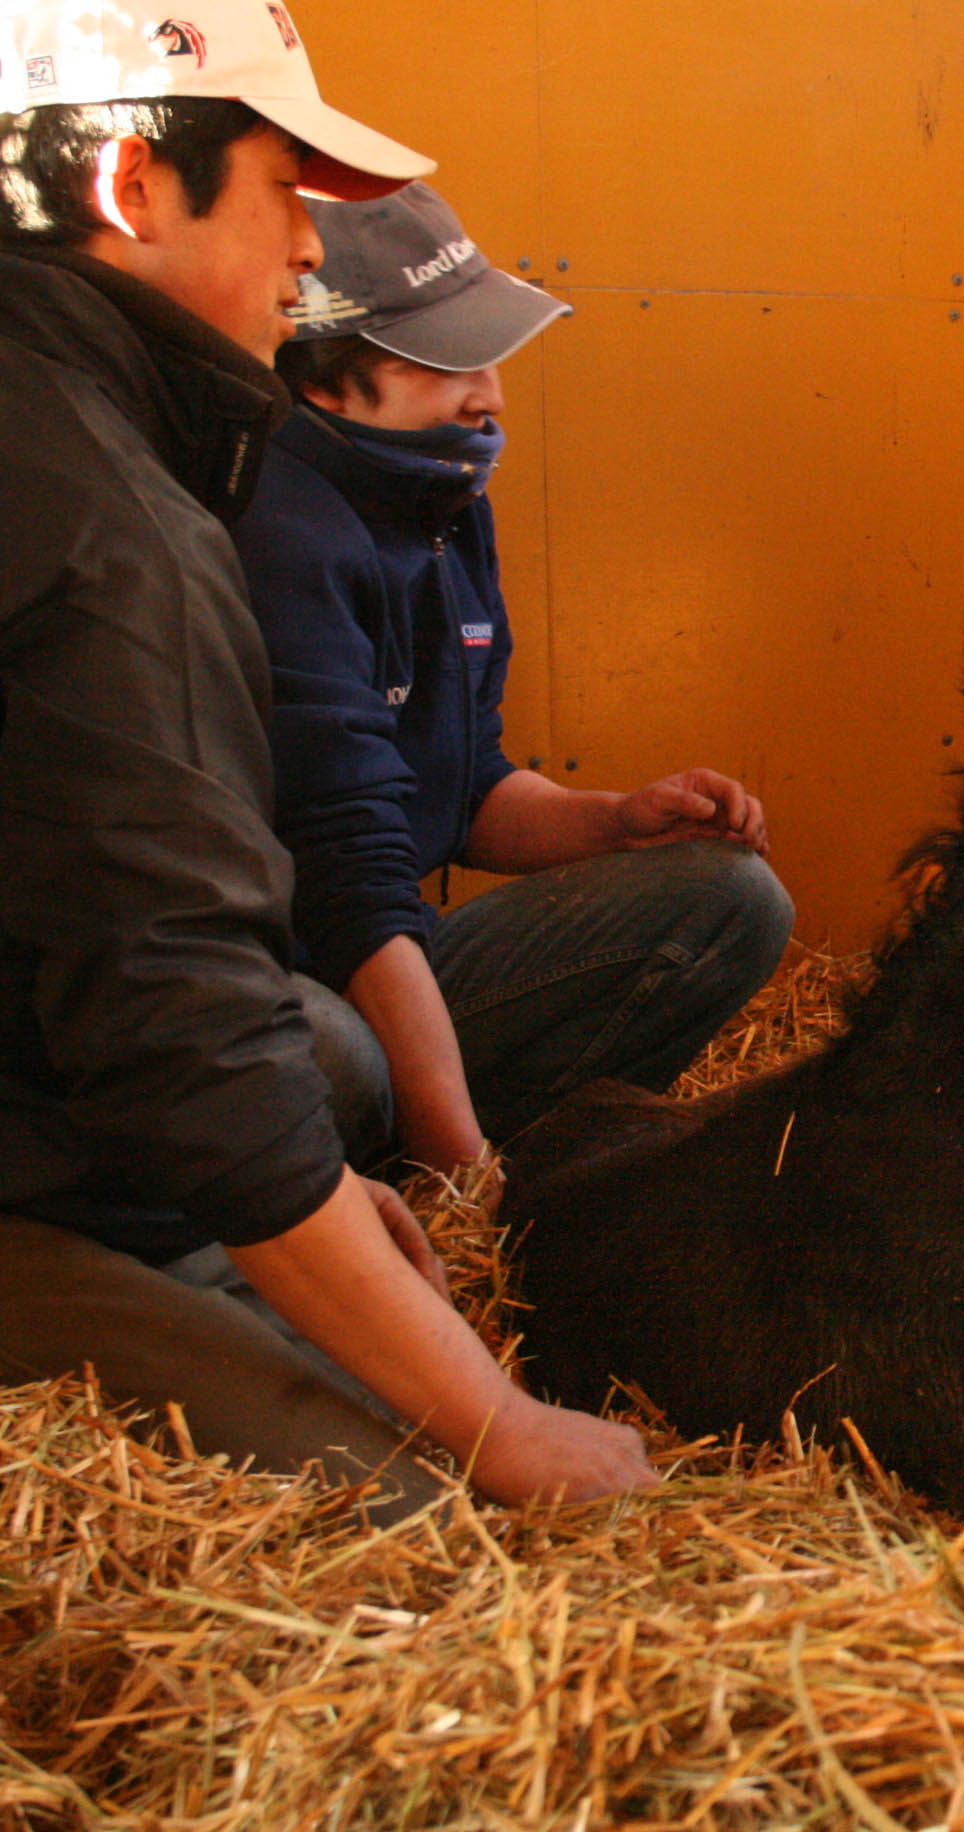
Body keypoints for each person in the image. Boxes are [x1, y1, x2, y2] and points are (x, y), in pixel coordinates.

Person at [0, 0, 655, 1516]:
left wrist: (292, 1197)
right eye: (287, 190)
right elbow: (185, 1026)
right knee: (391, 1511)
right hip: (36, 1177)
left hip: (51, 1115)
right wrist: (493, 1416)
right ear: (132, 186)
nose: (309, 254)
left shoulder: (80, 432)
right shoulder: (115, 534)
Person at [234, 181, 792, 1173]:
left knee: (734, 898)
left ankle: (554, 1162)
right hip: (279, 984)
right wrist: (461, 1183)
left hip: (385, 956)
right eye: (449, 361)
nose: (490, 395)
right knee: (338, 1057)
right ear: (325, 377)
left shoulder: (437, 497)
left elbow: (468, 788)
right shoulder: (282, 527)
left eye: (488, 353)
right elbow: (349, 879)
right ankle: (412, 1174)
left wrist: (616, 821)